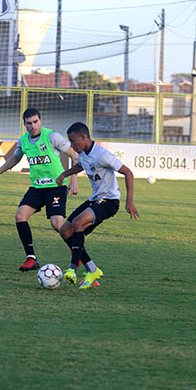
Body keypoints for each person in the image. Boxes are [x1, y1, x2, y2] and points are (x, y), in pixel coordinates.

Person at [0, 108, 79, 271]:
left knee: (57, 224)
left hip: (56, 187)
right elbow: (14, 159)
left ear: (41, 121)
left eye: (35, 122)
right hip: (37, 187)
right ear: (24, 124)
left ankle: (77, 252)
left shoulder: (52, 136)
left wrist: (73, 181)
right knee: (20, 216)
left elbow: (75, 156)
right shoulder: (23, 141)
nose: (32, 126)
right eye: (29, 123)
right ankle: (31, 258)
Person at [55, 122, 140, 290]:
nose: (72, 145)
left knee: (78, 224)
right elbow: (82, 165)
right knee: (65, 230)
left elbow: (128, 172)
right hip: (95, 199)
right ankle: (92, 270)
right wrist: (64, 174)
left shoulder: (102, 155)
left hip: (109, 201)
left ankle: (72, 269)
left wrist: (129, 201)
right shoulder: (83, 153)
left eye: (73, 141)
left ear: (84, 137)